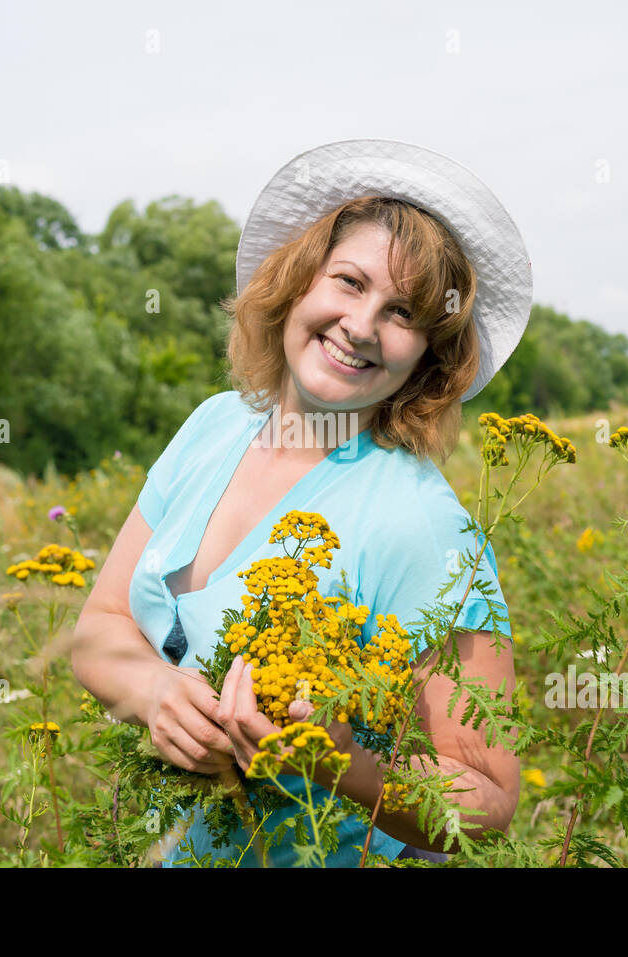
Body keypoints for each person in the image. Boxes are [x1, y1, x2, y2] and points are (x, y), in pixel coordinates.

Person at [70, 138, 534, 867]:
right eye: (348, 282)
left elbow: (488, 795)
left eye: (402, 314)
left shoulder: (423, 523)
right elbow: (99, 628)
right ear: (297, 280)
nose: (360, 325)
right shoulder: (214, 426)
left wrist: (343, 764)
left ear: (429, 356)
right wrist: (156, 689)